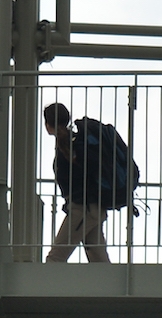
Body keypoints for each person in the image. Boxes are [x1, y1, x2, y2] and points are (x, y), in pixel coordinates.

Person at [43, 102, 110, 263]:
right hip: (93, 208)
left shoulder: (68, 146)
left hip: (82, 210)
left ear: (48, 125)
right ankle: (115, 288)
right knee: (100, 263)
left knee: (54, 259)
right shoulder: (77, 142)